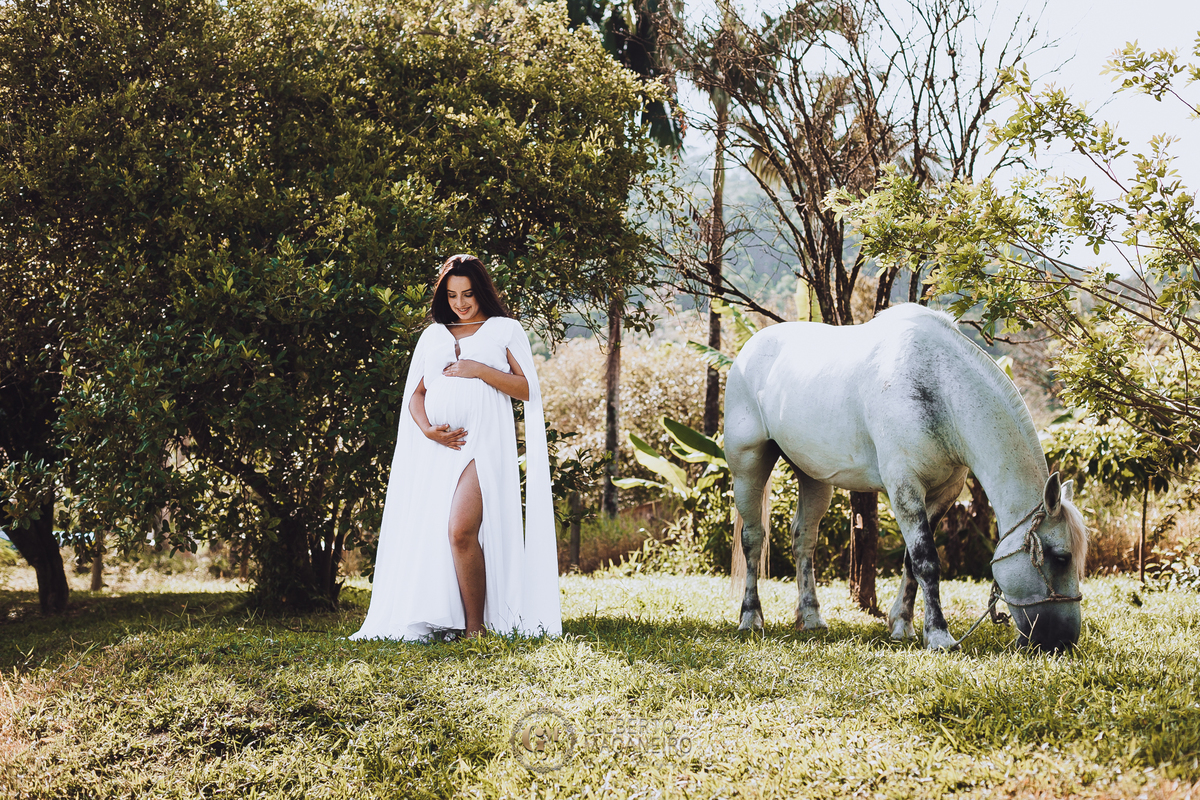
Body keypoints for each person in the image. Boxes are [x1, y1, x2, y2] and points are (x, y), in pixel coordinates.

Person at [350, 254, 561, 641]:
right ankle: (445, 620)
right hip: (438, 449)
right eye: (452, 295)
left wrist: (479, 369)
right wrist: (429, 430)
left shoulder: (504, 329)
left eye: (467, 294)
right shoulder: (433, 335)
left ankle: (476, 629)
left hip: (483, 445)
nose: (461, 303)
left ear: (481, 291)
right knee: (437, 533)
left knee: (461, 530)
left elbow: (527, 389)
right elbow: (415, 396)